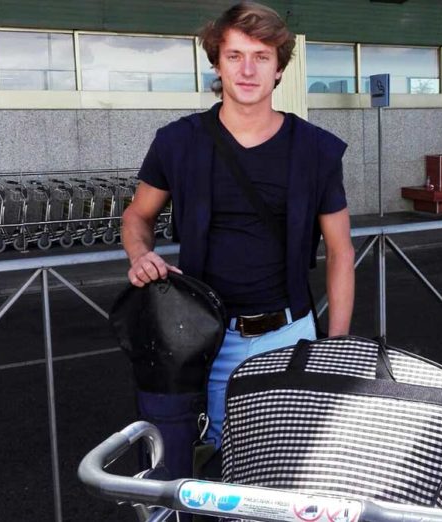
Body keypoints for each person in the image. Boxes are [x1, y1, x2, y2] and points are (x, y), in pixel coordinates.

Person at [121, 1, 356, 450]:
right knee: (207, 466)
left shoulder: (316, 150)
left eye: (262, 57)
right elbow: (137, 214)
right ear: (217, 63)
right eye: (235, 56)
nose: (248, 70)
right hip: (201, 337)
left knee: (285, 467)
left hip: (290, 335)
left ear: (279, 70)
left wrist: (336, 345)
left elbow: (340, 249)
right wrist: (140, 253)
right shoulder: (177, 142)